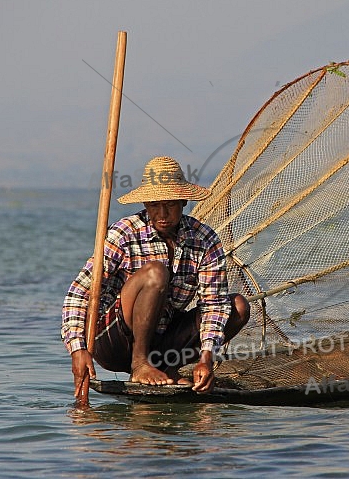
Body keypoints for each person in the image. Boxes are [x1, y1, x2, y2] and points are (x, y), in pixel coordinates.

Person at [61, 156, 250, 395]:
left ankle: (167, 369)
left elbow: (214, 304)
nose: (162, 214)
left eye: (170, 205)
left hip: (163, 342)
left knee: (238, 306)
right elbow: (78, 294)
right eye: (154, 205)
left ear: (183, 201)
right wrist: (78, 350)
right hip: (115, 342)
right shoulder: (124, 233)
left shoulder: (204, 239)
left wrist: (206, 359)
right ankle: (140, 365)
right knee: (156, 272)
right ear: (146, 204)